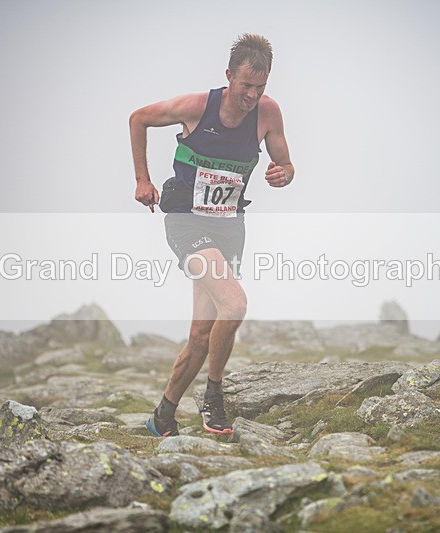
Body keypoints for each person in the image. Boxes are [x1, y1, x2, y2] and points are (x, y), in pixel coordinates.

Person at [129, 34, 294, 436]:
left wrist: (283, 174)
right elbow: (139, 118)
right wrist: (142, 180)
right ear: (228, 76)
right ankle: (213, 398)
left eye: (261, 86)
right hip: (186, 221)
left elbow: (286, 164)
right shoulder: (196, 107)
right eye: (245, 86)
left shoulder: (269, 114)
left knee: (202, 335)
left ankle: (162, 416)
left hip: (229, 227)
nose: (252, 95)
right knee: (234, 305)